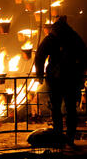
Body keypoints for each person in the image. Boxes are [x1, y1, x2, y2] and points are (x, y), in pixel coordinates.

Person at [35, 16, 87, 145]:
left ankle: (58, 134)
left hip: (56, 79)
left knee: (56, 107)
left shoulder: (51, 38)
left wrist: (40, 74)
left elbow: (40, 56)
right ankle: (69, 137)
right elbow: (84, 55)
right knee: (70, 109)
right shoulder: (74, 37)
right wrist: (81, 73)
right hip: (71, 78)